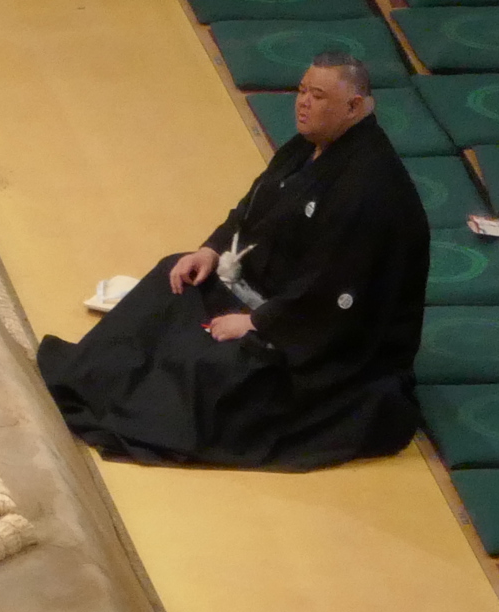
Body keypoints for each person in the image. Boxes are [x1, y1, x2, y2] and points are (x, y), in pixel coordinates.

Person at [37, 53, 432, 468]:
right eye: (301, 91)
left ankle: (134, 410)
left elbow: (332, 291)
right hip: (266, 291)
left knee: (210, 363)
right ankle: (91, 381)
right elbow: (254, 206)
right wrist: (212, 249)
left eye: (317, 96)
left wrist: (258, 322)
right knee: (173, 277)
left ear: (353, 106)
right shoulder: (310, 145)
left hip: (321, 337)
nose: (302, 103)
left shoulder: (367, 190)